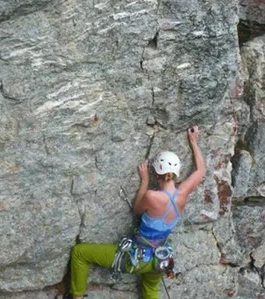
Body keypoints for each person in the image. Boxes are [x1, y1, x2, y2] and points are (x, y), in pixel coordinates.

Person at [70, 126, 205, 299]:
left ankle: (77, 297)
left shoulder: (152, 196)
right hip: (160, 259)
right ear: (177, 173)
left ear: (156, 174)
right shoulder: (184, 192)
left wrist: (144, 181)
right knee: (150, 289)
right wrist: (194, 141)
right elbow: (201, 170)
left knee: (80, 253)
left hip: (136, 258)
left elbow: (136, 209)